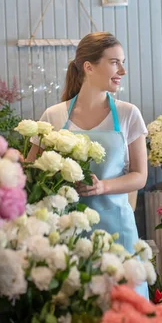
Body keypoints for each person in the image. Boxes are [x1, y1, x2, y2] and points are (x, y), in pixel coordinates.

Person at [27, 32, 149, 297]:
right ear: (89, 66)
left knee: (125, 312)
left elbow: (140, 176)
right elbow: (30, 174)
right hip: (67, 233)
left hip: (118, 232)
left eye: (123, 62)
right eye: (115, 62)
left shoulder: (129, 114)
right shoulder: (54, 115)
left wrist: (103, 186)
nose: (123, 70)